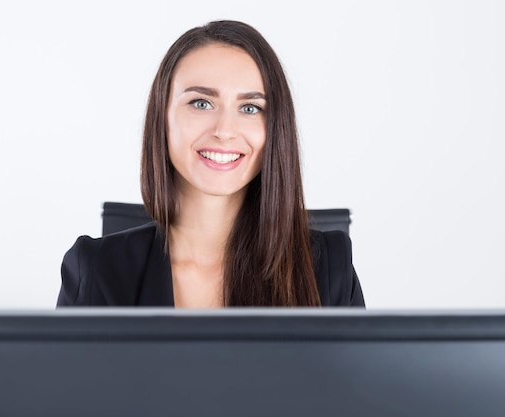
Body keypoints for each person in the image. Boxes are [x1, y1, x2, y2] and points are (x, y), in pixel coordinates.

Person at [57, 20, 364, 308]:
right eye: (201, 103)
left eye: (250, 107)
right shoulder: (95, 270)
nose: (224, 130)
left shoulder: (330, 270)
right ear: (162, 118)